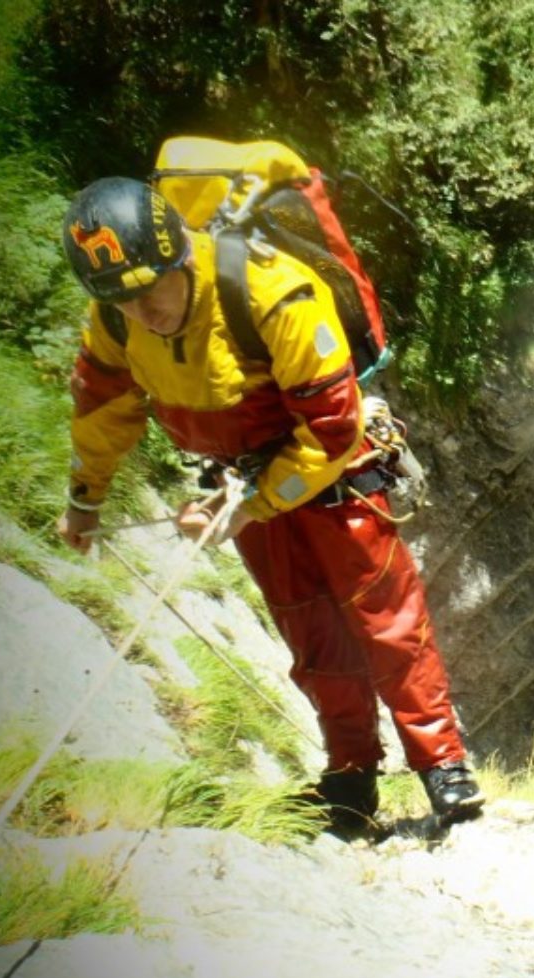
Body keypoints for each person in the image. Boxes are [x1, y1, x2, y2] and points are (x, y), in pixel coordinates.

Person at [53, 176, 482, 833]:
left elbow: (333, 429)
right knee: (310, 630)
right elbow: (103, 407)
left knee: (386, 619)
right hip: (245, 484)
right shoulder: (116, 315)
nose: (141, 312)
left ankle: (443, 767)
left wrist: (252, 505)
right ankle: (351, 776)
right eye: (122, 300)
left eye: (148, 290)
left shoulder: (271, 291)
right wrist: (86, 500)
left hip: (333, 472)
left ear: (178, 258)